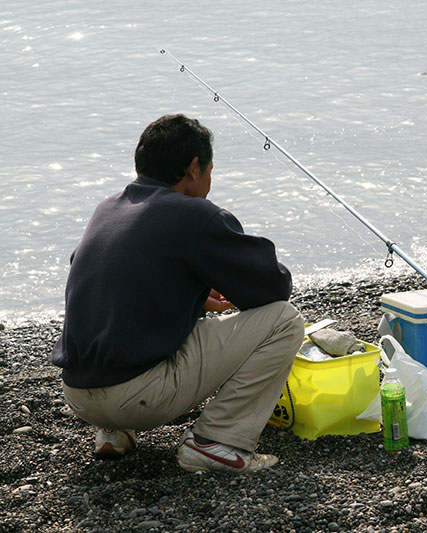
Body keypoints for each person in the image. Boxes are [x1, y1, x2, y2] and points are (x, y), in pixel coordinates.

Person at [50, 114, 305, 474]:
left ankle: (112, 432)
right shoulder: (194, 215)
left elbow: (109, 282)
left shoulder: (108, 208)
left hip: (79, 393)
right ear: (194, 167)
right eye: (210, 169)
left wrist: (192, 293)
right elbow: (273, 287)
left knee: (119, 330)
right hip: (136, 397)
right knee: (285, 320)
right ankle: (218, 442)